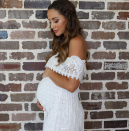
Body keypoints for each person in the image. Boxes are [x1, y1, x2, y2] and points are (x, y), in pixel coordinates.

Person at [37, 0, 89, 130]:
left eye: (55, 20)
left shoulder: (76, 41)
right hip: (56, 111)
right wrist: (45, 101)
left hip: (64, 115)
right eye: (50, 21)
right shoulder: (65, 43)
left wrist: (49, 72)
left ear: (68, 18)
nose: (52, 26)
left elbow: (71, 85)